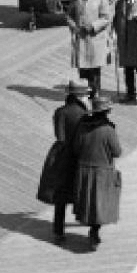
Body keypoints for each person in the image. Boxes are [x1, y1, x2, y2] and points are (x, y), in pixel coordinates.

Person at [37, 80, 91, 243]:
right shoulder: (85, 113)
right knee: (84, 191)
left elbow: (59, 136)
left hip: (63, 157)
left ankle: (58, 231)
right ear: (80, 96)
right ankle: (90, 226)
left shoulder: (60, 112)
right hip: (81, 155)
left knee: (60, 196)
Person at [70, 95, 122, 250]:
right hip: (101, 172)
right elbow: (117, 152)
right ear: (106, 112)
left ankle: (93, 231)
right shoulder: (108, 130)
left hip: (84, 170)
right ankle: (94, 232)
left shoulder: (82, 127)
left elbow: (76, 148)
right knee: (100, 205)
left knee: (89, 204)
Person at [66, 0, 112, 99]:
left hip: (95, 39)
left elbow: (106, 18)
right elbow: (69, 16)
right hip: (81, 40)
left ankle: (95, 94)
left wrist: (93, 26)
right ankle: (84, 95)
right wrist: (74, 27)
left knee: (94, 71)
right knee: (83, 70)